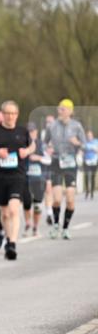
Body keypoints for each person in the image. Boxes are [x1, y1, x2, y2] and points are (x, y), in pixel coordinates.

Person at [0, 100, 34, 260]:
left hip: (17, 176)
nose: (10, 116)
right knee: (4, 214)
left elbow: (33, 145)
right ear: (2, 115)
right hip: (0, 177)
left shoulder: (23, 131)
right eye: (7, 113)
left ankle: (12, 244)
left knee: (13, 210)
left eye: (13, 113)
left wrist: (27, 152)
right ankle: (7, 236)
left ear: (17, 115)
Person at [46, 99, 87, 239]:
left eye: (63, 109)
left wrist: (78, 143)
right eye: (59, 109)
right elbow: (45, 143)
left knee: (70, 199)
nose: (60, 111)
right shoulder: (51, 126)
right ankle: (56, 225)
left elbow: (85, 145)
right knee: (57, 199)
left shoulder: (77, 126)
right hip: (56, 162)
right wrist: (48, 148)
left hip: (70, 163)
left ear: (70, 111)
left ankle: (65, 228)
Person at [23, 122, 50, 237]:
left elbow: (48, 160)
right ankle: (28, 222)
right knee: (27, 202)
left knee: (37, 204)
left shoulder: (41, 144)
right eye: (28, 132)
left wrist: (38, 158)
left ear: (36, 132)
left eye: (32, 132)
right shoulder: (22, 145)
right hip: (26, 178)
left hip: (39, 179)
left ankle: (35, 227)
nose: (31, 134)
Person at [84, 130, 98, 200]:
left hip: (94, 161)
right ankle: (87, 191)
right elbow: (82, 149)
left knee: (92, 177)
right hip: (86, 161)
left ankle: (92, 192)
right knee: (86, 176)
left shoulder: (96, 141)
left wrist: (95, 149)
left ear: (92, 135)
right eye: (88, 135)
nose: (89, 136)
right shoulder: (85, 142)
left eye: (90, 135)